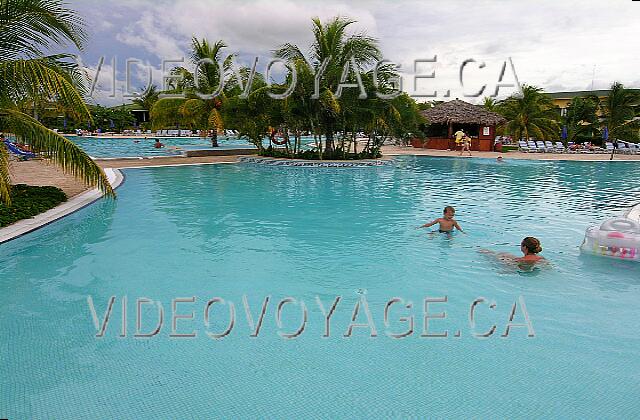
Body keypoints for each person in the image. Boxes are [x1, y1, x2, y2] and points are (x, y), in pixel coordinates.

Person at [480, 237, 546, 265]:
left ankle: (485, 251)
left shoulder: (520, 260)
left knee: (498, 256)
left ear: (525, 247)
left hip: (520, 267)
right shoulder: (541, 258)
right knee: (505, 254)